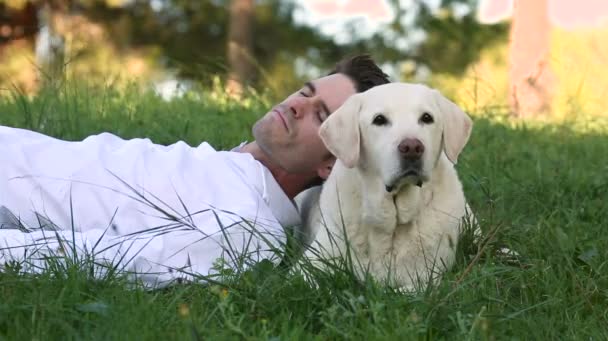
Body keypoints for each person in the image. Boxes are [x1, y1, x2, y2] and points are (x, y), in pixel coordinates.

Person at [0, 54, 390, 287]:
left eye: (321, 115)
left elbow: (110, 258)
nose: (296, 105)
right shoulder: (225, 166)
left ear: (330, 165)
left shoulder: (251, 231)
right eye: (306, 92)